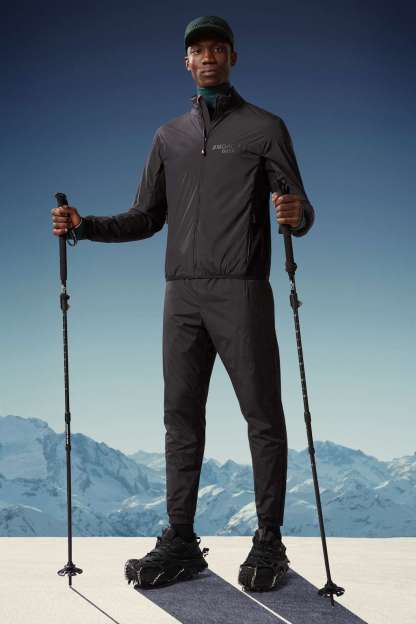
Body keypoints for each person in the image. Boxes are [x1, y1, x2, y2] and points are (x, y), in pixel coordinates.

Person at [51, 15, 315, 592]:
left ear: (233, 57)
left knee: (262, 417)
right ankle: (181, 541)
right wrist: (84, 226)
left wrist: (299, 215)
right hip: (182, 295)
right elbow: (146, 216)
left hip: (243, 288)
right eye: (199, 50)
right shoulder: (167, 136)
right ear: (187, 63)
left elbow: (296, 203)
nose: (209, 57)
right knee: (180, 419)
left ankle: (269, 541)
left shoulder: (265, 127)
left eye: (219, 48)